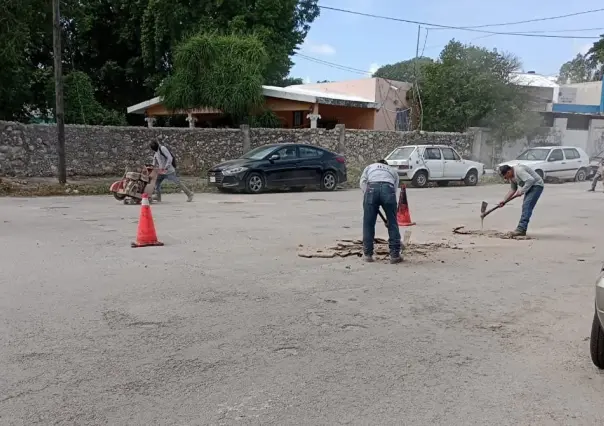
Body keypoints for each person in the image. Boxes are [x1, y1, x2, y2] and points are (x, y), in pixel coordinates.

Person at [359, 159, 402, 264]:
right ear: (386, 165)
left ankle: (368, 255)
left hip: (371, 189)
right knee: (393, 223)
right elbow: (395, 188)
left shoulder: (370, 167)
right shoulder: (392, 170)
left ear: (377, 163)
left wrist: (368, 197)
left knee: (368, 223)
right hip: (388, 189)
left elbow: (363, 182)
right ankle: (395, 255)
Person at [498, 164, 544, 236]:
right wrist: (504, 200)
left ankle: (521, 229)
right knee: (525, 206)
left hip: (536, 185)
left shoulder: (519, 171)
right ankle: (522, 228)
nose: (506, 179)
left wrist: (522, 191)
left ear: (508, 172)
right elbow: (513, 189)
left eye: (505, 177)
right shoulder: (511, 177)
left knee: (527, 206)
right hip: (530, 186)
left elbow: (530, 180)